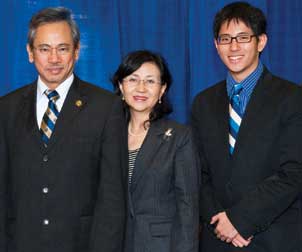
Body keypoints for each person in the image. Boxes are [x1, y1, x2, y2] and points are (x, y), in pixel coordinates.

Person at [0, 7, 126, 252]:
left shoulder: (106, 107)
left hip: (81, 244)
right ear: (30, 53)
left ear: (77, 52)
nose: (54, 59)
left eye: (63, 48)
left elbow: (112, 197)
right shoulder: (6, 108)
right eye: (44, 49)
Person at [191, 2, 302, 252]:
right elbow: (198, 173)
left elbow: (294, 172)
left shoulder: (292, 98)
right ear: (215, 45)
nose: (233, 47)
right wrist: (222, 224)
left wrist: (241, 221)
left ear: (261, 42)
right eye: (225, 38)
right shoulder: (203, 103)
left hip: (273, 237)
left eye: (243, 37)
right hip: (217, 238)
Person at [111, 50, 199, 252]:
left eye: (150, 81)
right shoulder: (107, 136)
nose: (141, 88)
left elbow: (188, 208)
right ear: (121, 86)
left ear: (162, 90)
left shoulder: (179, 137)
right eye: (133, 79)